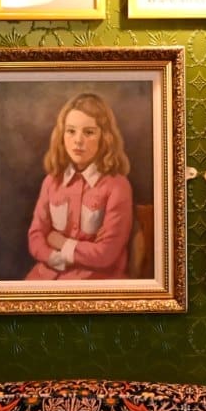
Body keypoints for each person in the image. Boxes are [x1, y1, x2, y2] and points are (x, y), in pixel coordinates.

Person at [25, 91, 134, 280]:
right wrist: (51, 256)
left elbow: (105, 254)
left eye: (89, 132)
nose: (78, 140)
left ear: (105, 137)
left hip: (96, 280)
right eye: (71, 131)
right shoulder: (52, 181)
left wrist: (61, 242)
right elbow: (36, 236)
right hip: (47, 273)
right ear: (62, 135)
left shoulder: (117, 185)